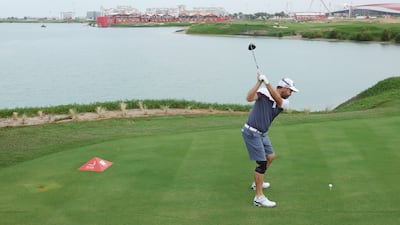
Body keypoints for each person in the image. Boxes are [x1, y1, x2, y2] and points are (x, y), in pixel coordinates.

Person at [241, 72, 299, 208]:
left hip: (262, 133)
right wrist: (259, 83)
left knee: (270, 156)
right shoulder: (263, 92)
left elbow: (277, 99)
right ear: (283, 88)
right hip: (251, 132)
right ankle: (259, 197)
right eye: (290, 90)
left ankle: (257, 182)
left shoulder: (285, 103)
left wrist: (267, 82)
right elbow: (249, 98)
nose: (291, 93)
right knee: (261, 163)